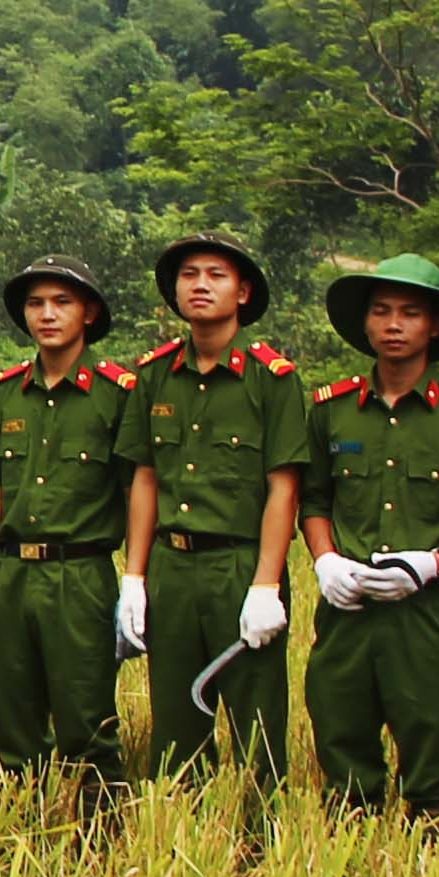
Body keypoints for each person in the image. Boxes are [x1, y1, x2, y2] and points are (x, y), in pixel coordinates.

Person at [299, 255, 439, 822]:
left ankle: (433, 862)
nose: (393, 324)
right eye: (381, 311)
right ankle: (349, 862)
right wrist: (326, 561)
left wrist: (437, 562)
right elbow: (314, 500)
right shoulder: (331, 410)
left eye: (410, 313)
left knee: (430, 739)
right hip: (348, 605)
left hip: (426, 608)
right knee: (339, 733)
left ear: (433, 326)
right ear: (364, 323)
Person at [117, 234, 309, 791]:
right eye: (190, 275)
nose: (200, 285)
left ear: (243, 292)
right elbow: (146, 477)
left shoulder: (271, 379)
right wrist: (134, 577)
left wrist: (266, 585)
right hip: (172, 568)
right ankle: (180, 838)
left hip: (240, 566)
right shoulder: (153, 375)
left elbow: (284, 487)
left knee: (256, 725)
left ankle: (261, 844)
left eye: (216, 275)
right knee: (176, 723)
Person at [0, 257, 138, 820]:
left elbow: (137, 491)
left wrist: (137, 580)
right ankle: (20, 834)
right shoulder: (3, 393)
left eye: (61, 302)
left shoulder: (117, 394)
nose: (47, 314)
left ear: (89, 313)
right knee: (13, 716)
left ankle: (99, 840)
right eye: (35, 304)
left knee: (87, 720)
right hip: (12, 574)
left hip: (80, 575)